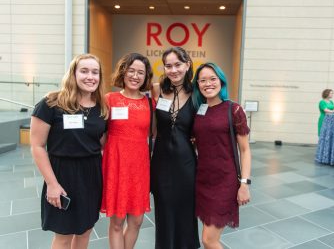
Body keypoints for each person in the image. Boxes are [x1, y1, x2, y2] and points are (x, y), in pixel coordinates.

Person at [30, 54, 108, 249]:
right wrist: (52, 184)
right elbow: (37, 146)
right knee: (64, 235)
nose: (90, 76)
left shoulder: (101, 108)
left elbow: (102, 143)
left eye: (95, 72)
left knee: (85, 231)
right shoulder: (51, 103)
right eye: (84, 71)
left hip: (91, 175)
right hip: (62, 175)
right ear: (73, 73)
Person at [192, 62, 251, 249]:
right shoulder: (198, 110)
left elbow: (245, 150)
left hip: (225, 181)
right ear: (197, 85)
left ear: (221, 82)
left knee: (209, 240)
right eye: (202, 80)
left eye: (212, 79)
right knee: (207, 236)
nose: (208, 84)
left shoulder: (233, 110)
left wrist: (244, 184)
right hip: (202, 180)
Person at [100, 53, 153, 249]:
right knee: (116, 222)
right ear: (123, 72)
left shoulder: (149, 103)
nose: (135, 76)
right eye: (131, 70)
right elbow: (99, 133)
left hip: (139, 167)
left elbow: (154, 133)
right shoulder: (109, 99)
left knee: (137, 221)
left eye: (141, 72)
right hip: (116, 164)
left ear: (146, 77)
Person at [151, 47, 200, 249]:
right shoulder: (156, 88)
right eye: (168, 66)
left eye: (178, 65)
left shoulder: (197, 93)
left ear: (187, 65)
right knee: (163, 213)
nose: (173, 70)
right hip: (161, 162)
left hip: (186, 163)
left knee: (186, 212)